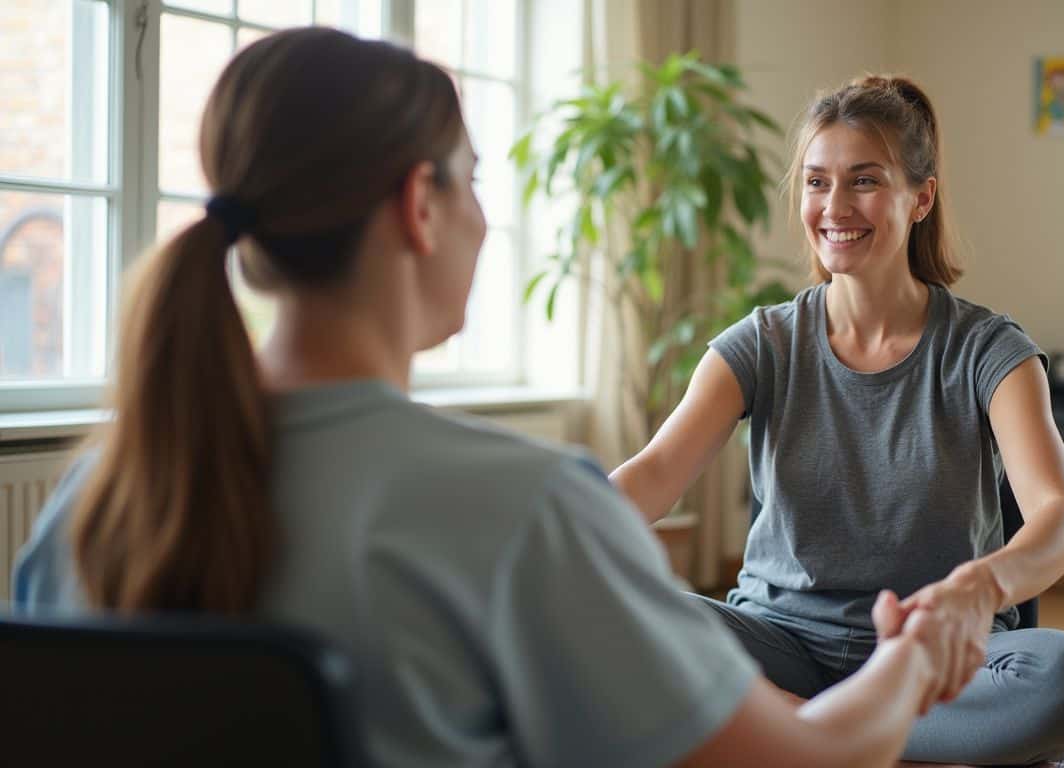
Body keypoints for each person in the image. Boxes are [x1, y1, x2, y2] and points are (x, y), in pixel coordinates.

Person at [9, 29, 970, 768]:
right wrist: (915, 661)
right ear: (416, 207)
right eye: (472, 181)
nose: (483, 215)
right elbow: (801, 762)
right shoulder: (520, 507)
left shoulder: (93, 502)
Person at [611, 75, 1064, 767]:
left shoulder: (987, 350)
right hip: (780, 643)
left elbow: (1063, 520)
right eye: (816, 183)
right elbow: (655, 472)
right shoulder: (762, 344)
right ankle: (864, 744)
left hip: (933, 661)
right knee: (621, 629)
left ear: (921, 197)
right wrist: (556, 529)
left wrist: (980, 587)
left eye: (865, 181)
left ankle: (797, 740)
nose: (835, 206)